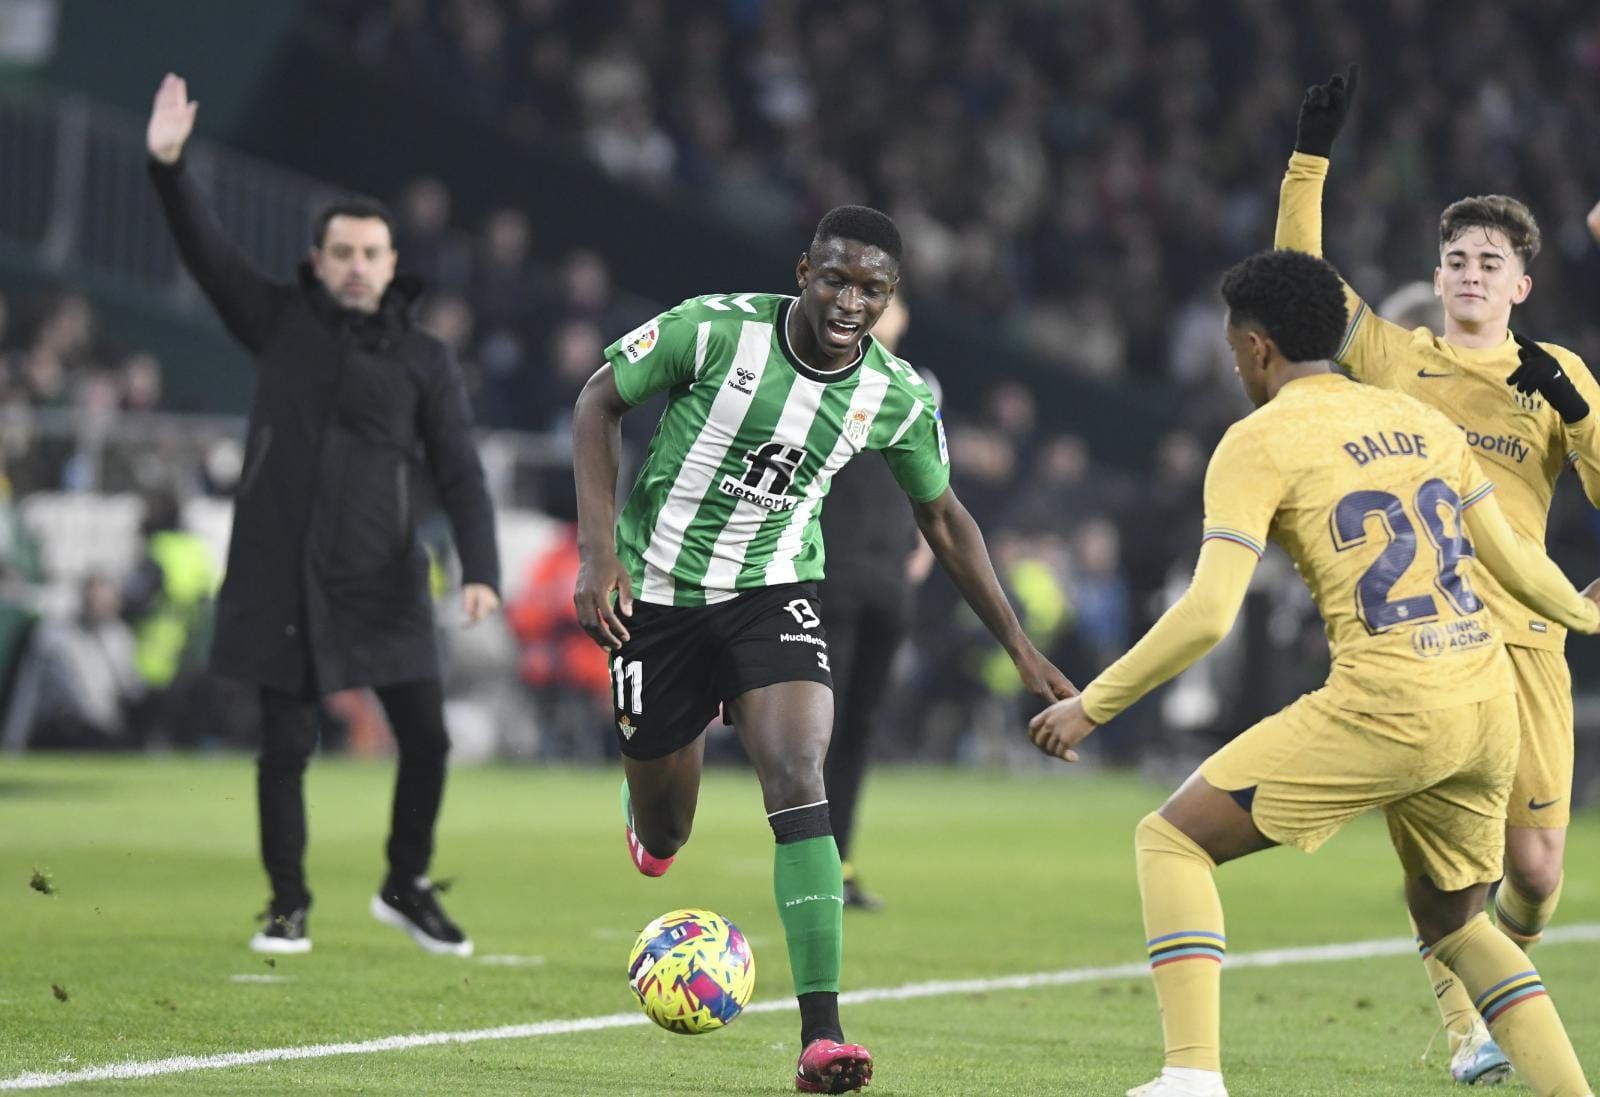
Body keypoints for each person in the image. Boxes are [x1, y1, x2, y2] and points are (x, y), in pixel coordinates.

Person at [1028, 249, 1598, 1097]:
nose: (1233, 366)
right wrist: (1588, 613)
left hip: (1390, 698)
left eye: (1232, 351)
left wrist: (1090, 705)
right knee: (1455, 921)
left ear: (1257, 348)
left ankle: (1190, 1075)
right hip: (1485, 701)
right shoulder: (1421, 422)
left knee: (1172, 837)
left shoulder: (1258, 440)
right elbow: (1512, 555)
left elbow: (1211, 613)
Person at [572, 206, 1073, 1094]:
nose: (851, 300)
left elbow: (945, 519)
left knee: (803, 773)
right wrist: (598, 552)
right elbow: (598, 400)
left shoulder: (896, 395)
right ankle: (646, 812)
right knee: (667, 828)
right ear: (804, 269)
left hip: (774, 592)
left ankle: (821, 1037)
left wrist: (1022, 649)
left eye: (872, 288)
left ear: (892, 296)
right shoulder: (714, 329)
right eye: (836, 278)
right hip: (658, 596)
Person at [1274, 65, 1600, 1084]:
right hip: (1424, 643)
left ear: (1519, 285)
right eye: (1454, 256)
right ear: (1441, 272)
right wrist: (1308, 158)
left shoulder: (1558, 378)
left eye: (1487, 260)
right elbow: (1296, 283)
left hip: (1529, 645)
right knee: (1450, 868)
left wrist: (1578, 412)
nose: (1466, 272)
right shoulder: (1389, 354)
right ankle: (1468, 1028)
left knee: (1537, 873)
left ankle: (1503, 971)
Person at [145, 74, 500, 957]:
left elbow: (460, 467)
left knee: (428, 736)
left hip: (382, 571)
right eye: (341, 252)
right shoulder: (276, 318)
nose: (355, 265)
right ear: (317, 260)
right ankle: (288, 901)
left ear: (390, 263)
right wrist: (168, 167)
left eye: (371, 253)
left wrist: (483, 567)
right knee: (284, 745)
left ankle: (405, 882)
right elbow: (206, 251)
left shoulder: (425, 357)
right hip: (284, 566)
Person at [815, 293, 931, 910]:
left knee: (858, 727)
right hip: (830, 573)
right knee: (818, 729)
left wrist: (924, 550)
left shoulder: (915, 386)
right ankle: (811, 862)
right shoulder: (822, 375)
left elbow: (932, 477)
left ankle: (840, 863)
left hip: (888, 578)